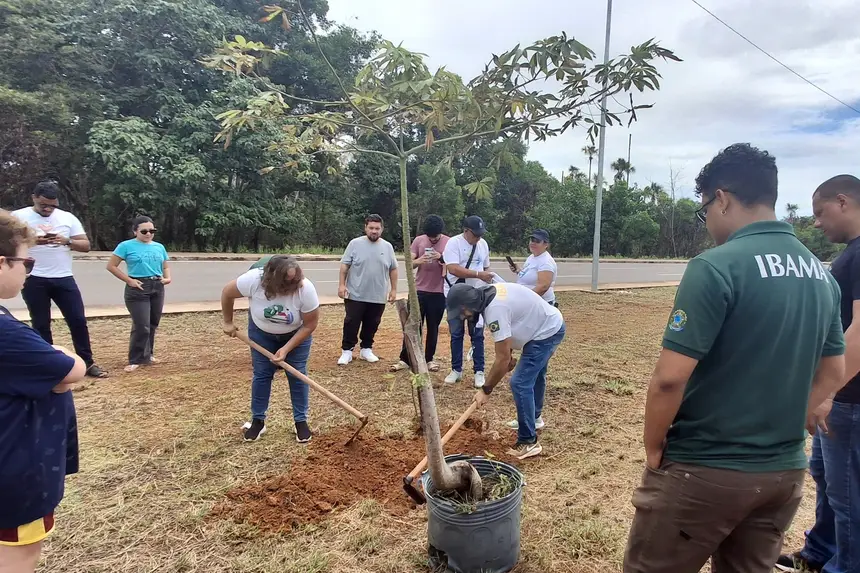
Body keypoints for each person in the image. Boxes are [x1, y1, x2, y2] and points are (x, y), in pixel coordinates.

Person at [622, 143, 846, 573]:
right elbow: (834, 370)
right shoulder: (822, 275)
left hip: (704, 469)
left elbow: (669, 379)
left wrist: (653, 449)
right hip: (783, 474)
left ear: (721, 198)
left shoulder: (716, 266)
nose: (706, 219)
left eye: (704, 207)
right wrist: (787, 420)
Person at [776, 174, 860, 573]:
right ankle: (820, 553)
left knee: (848, 495)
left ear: (843, 201)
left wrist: (828, 391)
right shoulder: (852, 253)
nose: (817, 223)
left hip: (850, 398)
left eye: (820, 212)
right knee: (828, 481)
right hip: (841, 396)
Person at [0, 210, 87, 572]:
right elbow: (72, 369)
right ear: (2, 263)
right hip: (14, 478)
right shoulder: (6, 333)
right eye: (27, 261)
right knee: (17, 558)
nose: (28, 270)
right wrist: (62, 355)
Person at [447, 282, 565, 460]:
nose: (463, 317)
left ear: (468, 305)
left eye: (462, 312)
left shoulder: (495, 310)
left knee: (520, 382)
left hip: (546, 332)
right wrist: (508, 356)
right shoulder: (488, 294)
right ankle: (534, 419)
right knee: (534, 374)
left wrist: (485, 390)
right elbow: (509, 332)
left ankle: (528, 441)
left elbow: (501, 360)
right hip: (547, 324)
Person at [11, 181, 107, 378]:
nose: (48, 209)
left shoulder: (67, 218)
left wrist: (67, 241)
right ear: (34, 198)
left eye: (52, 205)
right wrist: (34, 241)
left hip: (63, 276)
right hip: (33, 277)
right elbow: (8, 244)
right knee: (41, 323)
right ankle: (48, 365)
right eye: (43, 204)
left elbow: (85, 245)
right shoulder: (18, 217)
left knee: (78, 320)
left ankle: (87, 362)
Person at [221, 255, 319, 442]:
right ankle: (258, 421)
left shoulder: (305, 288)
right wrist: (228, 322)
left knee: (298, 375)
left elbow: (309, 324)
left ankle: (301, 422)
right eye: (287, 282)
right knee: (262, 375)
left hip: (295, 335)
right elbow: (227, 292)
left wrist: (286, 349)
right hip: (261, 335)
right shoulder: (253, 280)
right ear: (271, 279)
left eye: (294, 280)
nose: (292, 285)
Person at [106, 216, 171, 373]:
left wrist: (167, 278)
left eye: (152, 231)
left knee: (152, 323)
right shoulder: (126, 246)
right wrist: (129, 281)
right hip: (138, 287)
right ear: (135, 231)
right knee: (142, 325)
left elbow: (165, 266)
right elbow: (111, 266)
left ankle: (148, 354)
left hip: (157, 285)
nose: (148, 234)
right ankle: (135, 358)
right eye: (144, 231)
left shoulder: (159, 247)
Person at [390, 215, 450, 373]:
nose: (433, 240)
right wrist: (420, 260)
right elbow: (409, 264)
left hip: (438, 292)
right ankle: (405, 358)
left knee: (433, 327)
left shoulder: (449, 242)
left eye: (436, 237)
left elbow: (454, 265)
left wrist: (441, 258)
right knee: (413, 325)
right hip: (419, 291)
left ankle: (429, 359)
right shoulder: (419, 241)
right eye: (430, 237)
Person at [337, 214, 398, 366]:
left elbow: (393, 269)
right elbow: (345, 266)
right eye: (371, 228)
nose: (374, 231)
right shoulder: (354, 244)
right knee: (351, 322)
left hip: (378, 295)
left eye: (377, 228)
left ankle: (366, 349)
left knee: (373, 323)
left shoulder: (387, 247)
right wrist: (341, 285)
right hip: (355, 293)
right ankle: (347, 351)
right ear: (365, 228)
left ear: (382, 229)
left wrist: (393, 290)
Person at [442, 215, 493, 387]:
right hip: (456, 296)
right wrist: (478, 274)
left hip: (476, 296)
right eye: (475, 234)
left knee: (477, 334)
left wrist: (485, 278)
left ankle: (479, 371)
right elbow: (453, 269)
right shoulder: (453, 244)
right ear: (466, 231)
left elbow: (485, 267)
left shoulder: (483, 244)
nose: (478, 238)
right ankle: (456, 369)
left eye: (480, 234)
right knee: (456, 334)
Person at [508, 228, 558, 306]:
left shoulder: (546, 261)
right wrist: (518, 271)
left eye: (537, 241)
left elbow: (543, 287)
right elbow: (530, 276)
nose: (533, 243)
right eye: (532, 240)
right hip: (531, 303)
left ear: (546, 244)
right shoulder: (532, 257)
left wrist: (524, 300)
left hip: (540, 304)